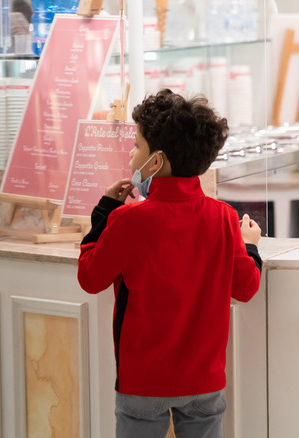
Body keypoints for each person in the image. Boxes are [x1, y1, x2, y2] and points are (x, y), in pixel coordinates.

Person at [77, 89, 262, 438]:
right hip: (205, 382)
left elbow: (89, 275)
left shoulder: (128, 220)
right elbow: (247, 287)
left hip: (143, 382)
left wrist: (103, 211)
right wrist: (249, 246)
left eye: (136, 146)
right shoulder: (224, 218)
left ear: (156, 161)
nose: (132, 156)